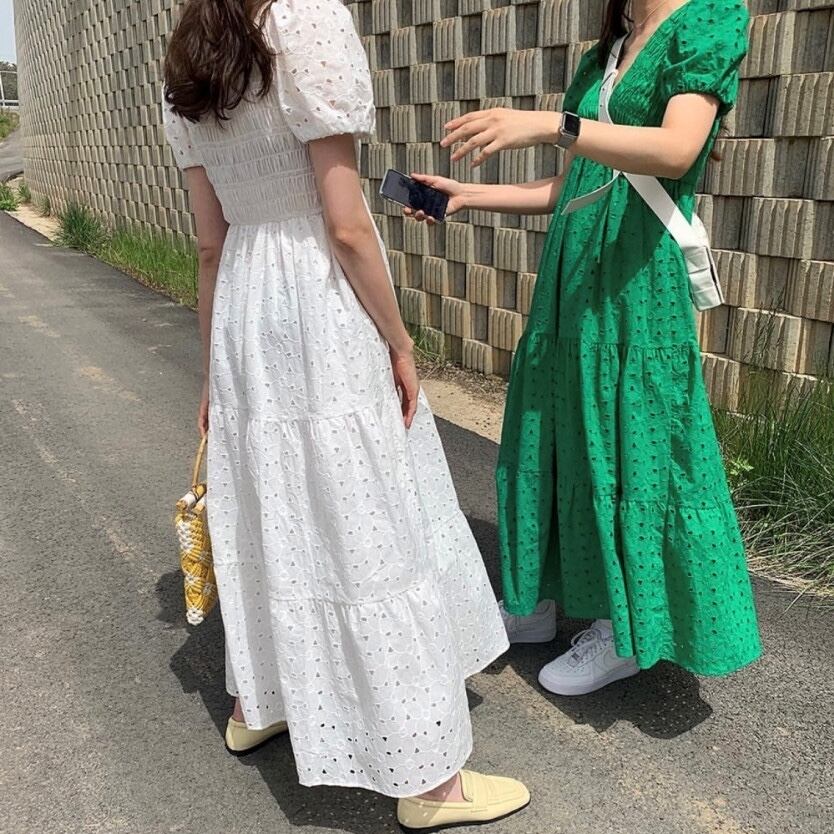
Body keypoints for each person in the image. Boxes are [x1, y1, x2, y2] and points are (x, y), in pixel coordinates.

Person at [161, 1, 529, 829]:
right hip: (318, 301)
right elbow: (346, 224)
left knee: (270, 509)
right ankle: (430, 783)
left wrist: (214, 371)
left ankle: (260, 704)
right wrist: (400, 341)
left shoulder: (187, 52)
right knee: (365, 520)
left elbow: (210, 243)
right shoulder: (305, 19)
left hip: (245, 304)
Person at [409, 0, 762, 696]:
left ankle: (625, 631)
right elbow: (573, 183)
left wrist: (552, 123)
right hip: (572, 277)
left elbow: (676, 150)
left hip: (637, 281)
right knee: (555, 432)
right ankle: (535, 599)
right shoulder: (613, 48)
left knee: (633, 443)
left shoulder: (708, 19)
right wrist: (469, 196)